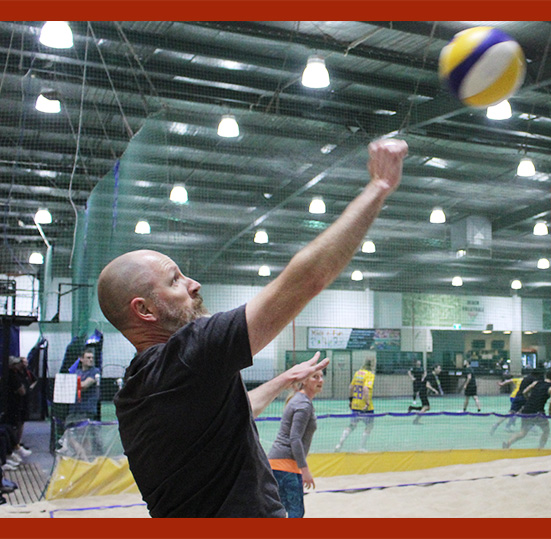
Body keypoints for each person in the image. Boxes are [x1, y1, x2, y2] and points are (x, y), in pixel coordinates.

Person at [99, 137, 407, 517]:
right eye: (175, 280)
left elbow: (235, 409)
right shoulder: (190, 354)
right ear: (144, 310)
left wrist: (283, 379)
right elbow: (307, 278)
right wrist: (378, 188)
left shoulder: (139, 391)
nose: (193, 284)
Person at [268, 369, 324, 518]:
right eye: (315, 377)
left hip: (278, 463)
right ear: (304, 381)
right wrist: (304, 470)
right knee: (296, 512)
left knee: (281, 511)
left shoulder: (300, 400)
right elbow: (295, 438)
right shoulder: (303, 405)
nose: (320, 380)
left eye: (321, 377)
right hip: (286, 465)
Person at [502, 367, 551, 449]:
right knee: (546, 431)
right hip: (538, 412)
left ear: (545, 376)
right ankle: (540, 449)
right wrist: (550, 413)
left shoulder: (536, 383)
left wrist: (529, 400)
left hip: (526, 410)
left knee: (523, 432)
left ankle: (507, 444)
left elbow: (524, 392)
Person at [335, 358, 376, 452]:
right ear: (372, 365)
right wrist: (367, 402)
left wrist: (350, 400)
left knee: (352, 425)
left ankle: (339, 444)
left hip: (355, 404)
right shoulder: (370, 375)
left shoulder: (358, 373)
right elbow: (366, 388)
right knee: (369, 426)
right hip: (366, 407)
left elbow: (351, 387)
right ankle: (362, 447)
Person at [70, 349, 101, 421]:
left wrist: (73, 385)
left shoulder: (95, 371)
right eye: (88, 358)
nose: (91, 360)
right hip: (74, 409)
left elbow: (84, 385)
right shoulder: (76, 372)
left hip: (88, 409)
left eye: (92, 358)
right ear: (81, 359)